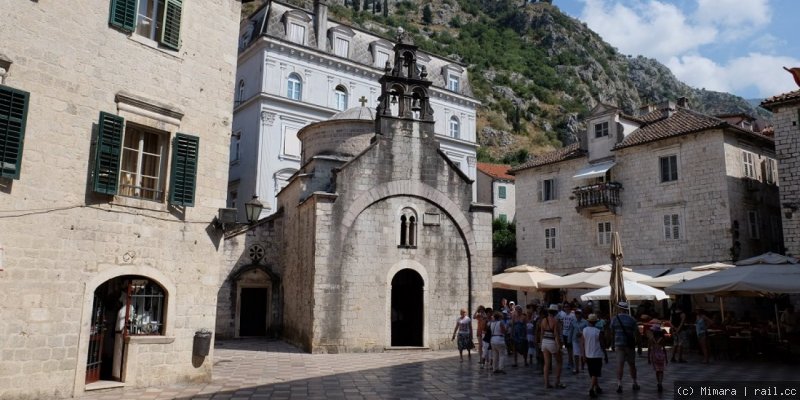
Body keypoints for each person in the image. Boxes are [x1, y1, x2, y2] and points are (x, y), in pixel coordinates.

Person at [611, 301, 640, 393]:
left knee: (620, 365)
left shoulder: (614, 319)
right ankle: (634, 383)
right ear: (627, 309)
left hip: (619, 345)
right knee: (632, 365)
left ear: (619, 309)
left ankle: (619, 384)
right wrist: (639, 345)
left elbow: (611, 333)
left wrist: (611, 344)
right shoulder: (632, 320)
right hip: (629, 346)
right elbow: (637, 334)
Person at [539, 304, 566, 389]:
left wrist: (541, 343)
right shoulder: (555, 321)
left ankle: (547, 383)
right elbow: (556, 335)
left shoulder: (543, 320)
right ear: (555, 312)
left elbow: (541, 333)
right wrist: (559, 347)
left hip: (544, 342)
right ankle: (557, 382)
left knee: (546, 364)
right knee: (559, 362)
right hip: (552, 342)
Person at [581, 314, 606, 398]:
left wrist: (583, 355)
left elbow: (582, 343)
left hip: (588, 354)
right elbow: (602, 344)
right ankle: (591, 389)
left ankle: (597, 387)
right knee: (595, 373)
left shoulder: (584, 330)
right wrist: (605, 354)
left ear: (588, 321)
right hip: (597, 354)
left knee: (592, 373)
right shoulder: (598, 331)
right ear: (596, 322)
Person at [649, 326, 668, 392]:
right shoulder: (662, 339)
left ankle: (658, 382)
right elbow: (664, 349)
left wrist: (648, 358)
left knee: (657, 370)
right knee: (661, 370)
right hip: (661, 355)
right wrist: (666, 358)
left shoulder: (651, 339)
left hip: (654, 355)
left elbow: (649, 349)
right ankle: (660, 382)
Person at [571, 308, 588, 374]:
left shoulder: (585, 322)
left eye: (578, 313)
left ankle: (582, 366)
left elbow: (587, 330)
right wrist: (569, 339)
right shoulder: (573, 321)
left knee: (582, 354)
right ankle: (577, 368)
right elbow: (571, 331)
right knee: (575, 354)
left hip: (582, 340)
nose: (577, 315)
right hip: (575, 339)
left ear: (581, 314)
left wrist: (582, 334)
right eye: (576, 313)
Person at [561, 303, 576, 371]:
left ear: (570, 307)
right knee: (568, 349)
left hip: (570, 334)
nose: (566, 308)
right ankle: (570, 362)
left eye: (567, 307)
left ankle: (571, 362)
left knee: (570, 349)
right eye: (565, 307)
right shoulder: (563, 315)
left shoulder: (572, 315)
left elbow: (574, 324)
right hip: (564, 333)